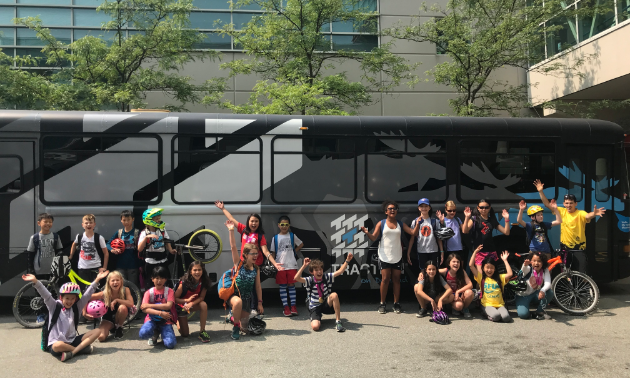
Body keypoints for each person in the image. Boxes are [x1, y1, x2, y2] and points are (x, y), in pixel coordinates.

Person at [22, 270, 108, 362]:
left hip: (72, 340)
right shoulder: (54, 306)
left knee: (98, 331)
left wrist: (97, 279)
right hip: (57, 343)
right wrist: (36, 281)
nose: (70, 301)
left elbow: (87, 295)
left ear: (75, 299)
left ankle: (73, 352)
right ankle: (80, 349)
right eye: (67, 298)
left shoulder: (76, 308)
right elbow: (46, 295)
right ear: (61, 297)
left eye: (72, 299)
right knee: (57, 346)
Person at [215, 200, 280, 316]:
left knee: (255, 287)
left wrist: (275, 264)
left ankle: (254, 308)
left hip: (256, 264)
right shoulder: (244, 230)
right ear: (248, 222)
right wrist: (223, 208)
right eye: (252, 221)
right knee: (239, 286)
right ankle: (235, 310)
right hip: (242, 263)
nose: (254, 223)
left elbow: (265, 251)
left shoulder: (260, 236)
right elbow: (232, 220)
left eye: (256, 221)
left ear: (259, 223)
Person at [534, 179, 606, 273]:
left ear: (576, 204)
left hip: (578, 249)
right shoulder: (561, 211)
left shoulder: (580, 213)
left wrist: (594, 213)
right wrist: (540, 191)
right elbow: (546, 204)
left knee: (582, 271)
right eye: (567, 203)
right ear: (564, 204)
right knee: (565, 272)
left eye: (571, 203)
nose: (569, 205)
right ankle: (567, 286)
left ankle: (582, 286)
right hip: (565, 249)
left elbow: (588, 216)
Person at [361, 200, 415, 314]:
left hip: (397, 256)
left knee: (396, 280)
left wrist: (419, 222)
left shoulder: (400, 224)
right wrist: (367, 232)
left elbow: (412, 232)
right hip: (384, 256)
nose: (392, 210)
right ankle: (382, 303)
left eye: (394, 209)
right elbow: (373, 237)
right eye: (390, 209)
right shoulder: (381, 223)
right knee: (385, 280)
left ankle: (396, 304)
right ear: (386, 211)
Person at [225, 220, 263, 340]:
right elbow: (233, 246)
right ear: (246, 255)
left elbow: (258, 287)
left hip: (247, 300)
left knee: (245, 329)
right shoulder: (238, 264)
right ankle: (235, 327)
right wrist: (231, 230)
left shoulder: (256, 268)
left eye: (256, 253)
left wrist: (260, 303)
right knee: (237, 304)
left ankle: (232, 318)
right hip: (234, 297)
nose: (256, 256)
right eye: (253, 253)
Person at [294, 254, 352, 332]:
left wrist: (347, 260)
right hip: (314, 306)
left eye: (320, 269)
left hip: (325, 303)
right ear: (311, 272)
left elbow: (340, 271)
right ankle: (317, 317)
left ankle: (338, 322)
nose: (319, 272)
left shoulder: (326, 277)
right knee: (315, 327)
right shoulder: (310, 280)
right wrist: (304, 265)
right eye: (316, 270)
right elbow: (296, 278)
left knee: (334, 295)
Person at [270, 215, 304, 317]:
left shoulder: (292, 236)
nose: (284, 226)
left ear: (289, 225)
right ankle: (286, 307)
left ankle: (293, 306)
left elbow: (301, 244)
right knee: (283, 286)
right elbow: (273, 252)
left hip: (292, 265)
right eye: (282, 224)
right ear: (278, 225)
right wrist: (274, 264)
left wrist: (294, 251)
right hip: (280, 266)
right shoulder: (275, 238)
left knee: (291, 285)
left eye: (286, 224)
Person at [462, 199, 510, 269]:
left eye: (486, 207)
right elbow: (465, 230)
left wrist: (506, 219)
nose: (484, 209)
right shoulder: (474, 219)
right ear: (478, 208)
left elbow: (506, 232)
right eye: (481, 207)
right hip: (479, 251)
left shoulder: (492, 220)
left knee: (491, 274)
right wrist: (466, 217)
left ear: (489, 208)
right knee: (480, 275)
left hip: (491, 251)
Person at [470, 245, 513, 322]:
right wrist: (475, 252)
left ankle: (494, 313)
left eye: (492, 268)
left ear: (495, 269)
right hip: (487, 305)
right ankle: (484, 312)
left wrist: (505, 260)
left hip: (500, 305)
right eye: (487, 267)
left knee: (506, 318)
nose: (489, 270)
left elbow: (510, 274)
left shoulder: (500, 277)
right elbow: (471, 265)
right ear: (483, 268)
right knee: (496, 316)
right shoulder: (481, 278)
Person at [88, 271, 135, 341]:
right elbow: (87, 297)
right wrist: (84, 312)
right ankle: (112, 327)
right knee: (101, 338)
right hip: (108, 317)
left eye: (117, 280)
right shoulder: (104, 293)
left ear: (121, 281)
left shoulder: (126, 290)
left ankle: (119, 327)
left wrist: (117, 300)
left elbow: (131, 303)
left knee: (122, 307)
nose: (115, 282)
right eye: (113, 280)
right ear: (109, 283)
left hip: (120, 316)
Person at [139, 266, 177, 349]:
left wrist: (150, 305)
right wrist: (160, 313)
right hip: (151, 319)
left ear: (165, 279)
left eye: (162, 278)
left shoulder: (169, 291)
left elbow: (168, 306)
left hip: (166, 320)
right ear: (152, 279)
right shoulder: (149, 292)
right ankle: (154, 333)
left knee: (170, 344)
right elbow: (144, 309)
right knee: (143, 333)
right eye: (156, 278)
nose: (159, 281)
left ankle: (164, 333)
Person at [137, 208, 175, 290]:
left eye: (159, 218)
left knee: (166, 281)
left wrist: (171, 250)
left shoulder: (162, 230)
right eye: (156, 219)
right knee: (150, 283)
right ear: (149, 220)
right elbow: (139, 249)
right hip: (151, 262)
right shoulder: (144, 233)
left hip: (163, 261)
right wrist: (146, 237)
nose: (158, 220)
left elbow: (166, 241)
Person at [174, 261, 211, 343]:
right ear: (190, 271)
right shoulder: (183, 282)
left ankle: (202, 331)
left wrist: (191, 303)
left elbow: (201, 297)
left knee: (203, 305)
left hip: (192, 304)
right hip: (181, 306)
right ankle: (177, 321)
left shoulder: (204, 281)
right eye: (195, 270)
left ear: (203, 270)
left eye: (199, 270)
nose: (197, 272)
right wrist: (186, 301)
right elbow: (175, 298)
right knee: (185, 334)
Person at [69, 214, 109, 284]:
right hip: (82, 268)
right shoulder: (80, 236)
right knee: (84, 290)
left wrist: (104, 267)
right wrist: (71, 255)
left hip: (96, 268)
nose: (88, 225)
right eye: (86, 223)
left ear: (94, 224)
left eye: (91, 223)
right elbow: (74, 244)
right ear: (82, 225)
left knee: (95, 289)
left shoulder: (99, 238)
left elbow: (106, 253)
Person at [107, 210, 142, 287]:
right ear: (121, 220)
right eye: (124, 220)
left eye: (128, 219)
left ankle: (133, 299)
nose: (126, 222)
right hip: (120, 264)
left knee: (133, 286)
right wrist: (113, 250)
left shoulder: (137, 232)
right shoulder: (119, 232)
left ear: (133, 219)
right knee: (122, 286)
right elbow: (108, 244)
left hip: (133, 265)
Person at [515, 251, 554, 320]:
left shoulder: (545, 270)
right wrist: (525, 265)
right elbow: (524, 270)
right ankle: (528, 310)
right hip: (523, 295)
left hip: (535, 293)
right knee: (523, 315)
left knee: (549, 292)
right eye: (534, 261)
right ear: (531, 261)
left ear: (543, 262)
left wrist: (542, 290)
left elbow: (548, 283)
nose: (536, 263)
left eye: (539, 261)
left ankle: (539, 311)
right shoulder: (529, 268)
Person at [408, 198, 444, 269]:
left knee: (434, 271)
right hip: (421, 251)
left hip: (434, 251)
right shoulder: (415, 222)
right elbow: (412, 238)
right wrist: (408, 252)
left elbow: (439, 238)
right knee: (423, 272)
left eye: (426, 206)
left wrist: (442, 251)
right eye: (421, 206)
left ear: (429, 208)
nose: (424, 208)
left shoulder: (435, 222)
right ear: (418, 208)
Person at [441, 253, 474, 318]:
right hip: (450, 296)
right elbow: (433, 271)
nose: (456, 264)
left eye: (458, 262)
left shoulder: (462, 271)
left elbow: (470, 284)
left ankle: (465, 308)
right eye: (453, 261)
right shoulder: (445, 271)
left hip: (460, 295)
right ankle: (453, 306)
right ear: (449, 263)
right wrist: (422, 273)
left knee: (469, 292)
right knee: (458, 306)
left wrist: (458, 291)